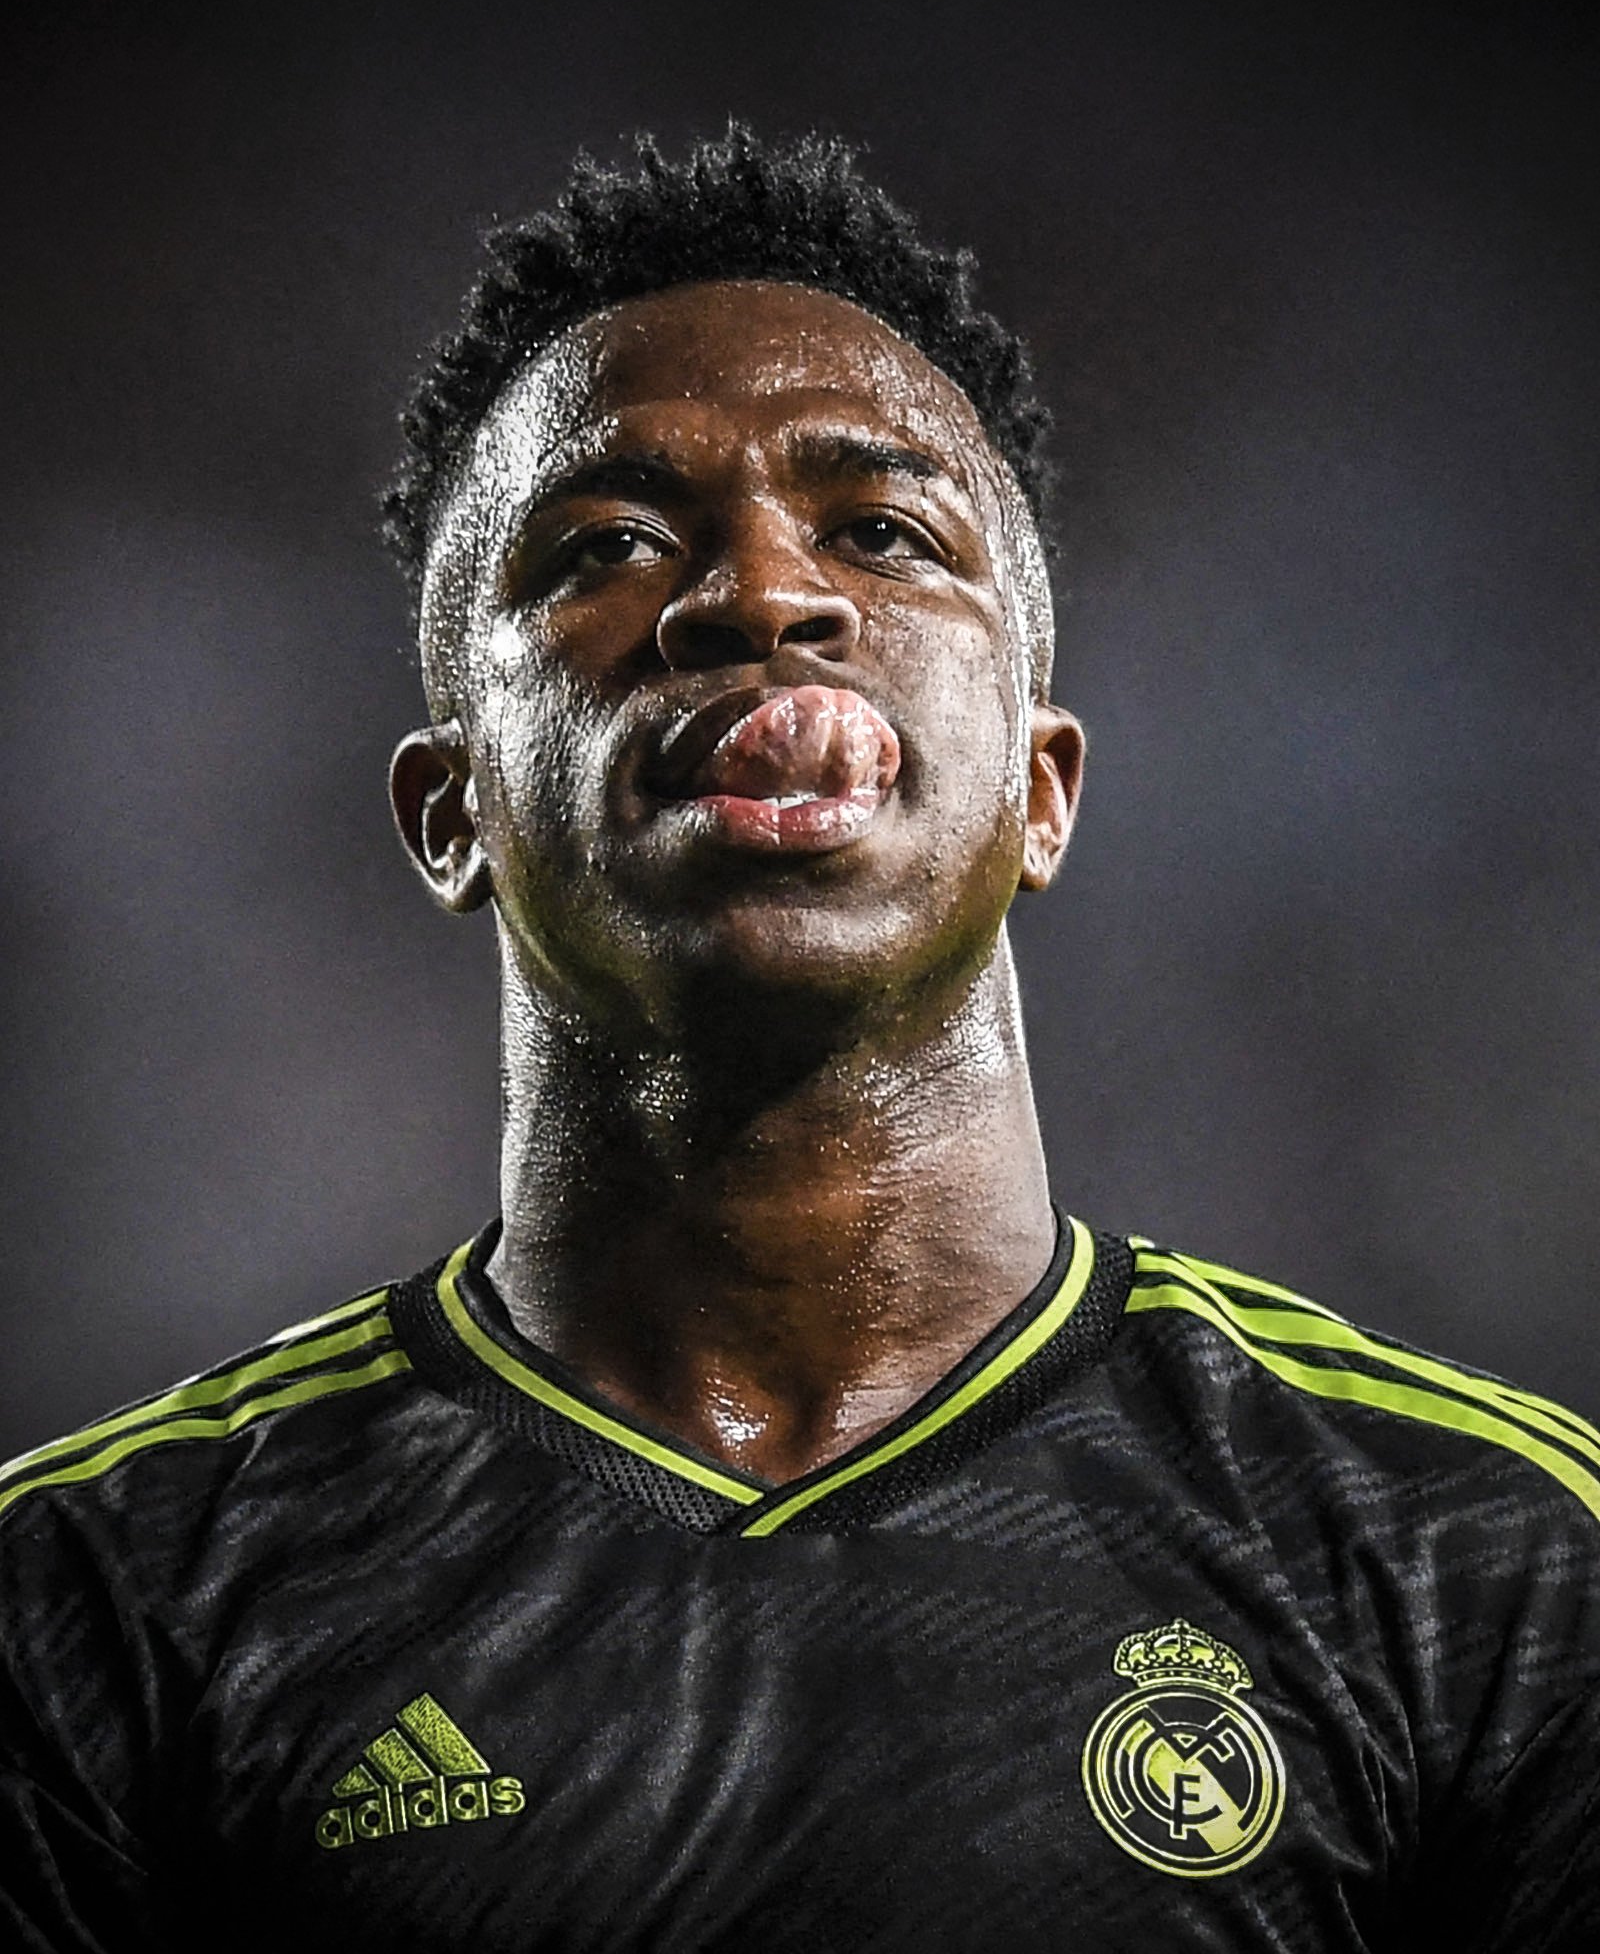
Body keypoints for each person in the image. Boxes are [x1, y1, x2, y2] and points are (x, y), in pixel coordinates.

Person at [1, 124, 1596, 1954]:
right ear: (451, 813)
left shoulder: (1492, 1561)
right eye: (609, 542)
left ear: (1042, 793)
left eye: (885, 532)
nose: (762, 597)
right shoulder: (94, 1600)